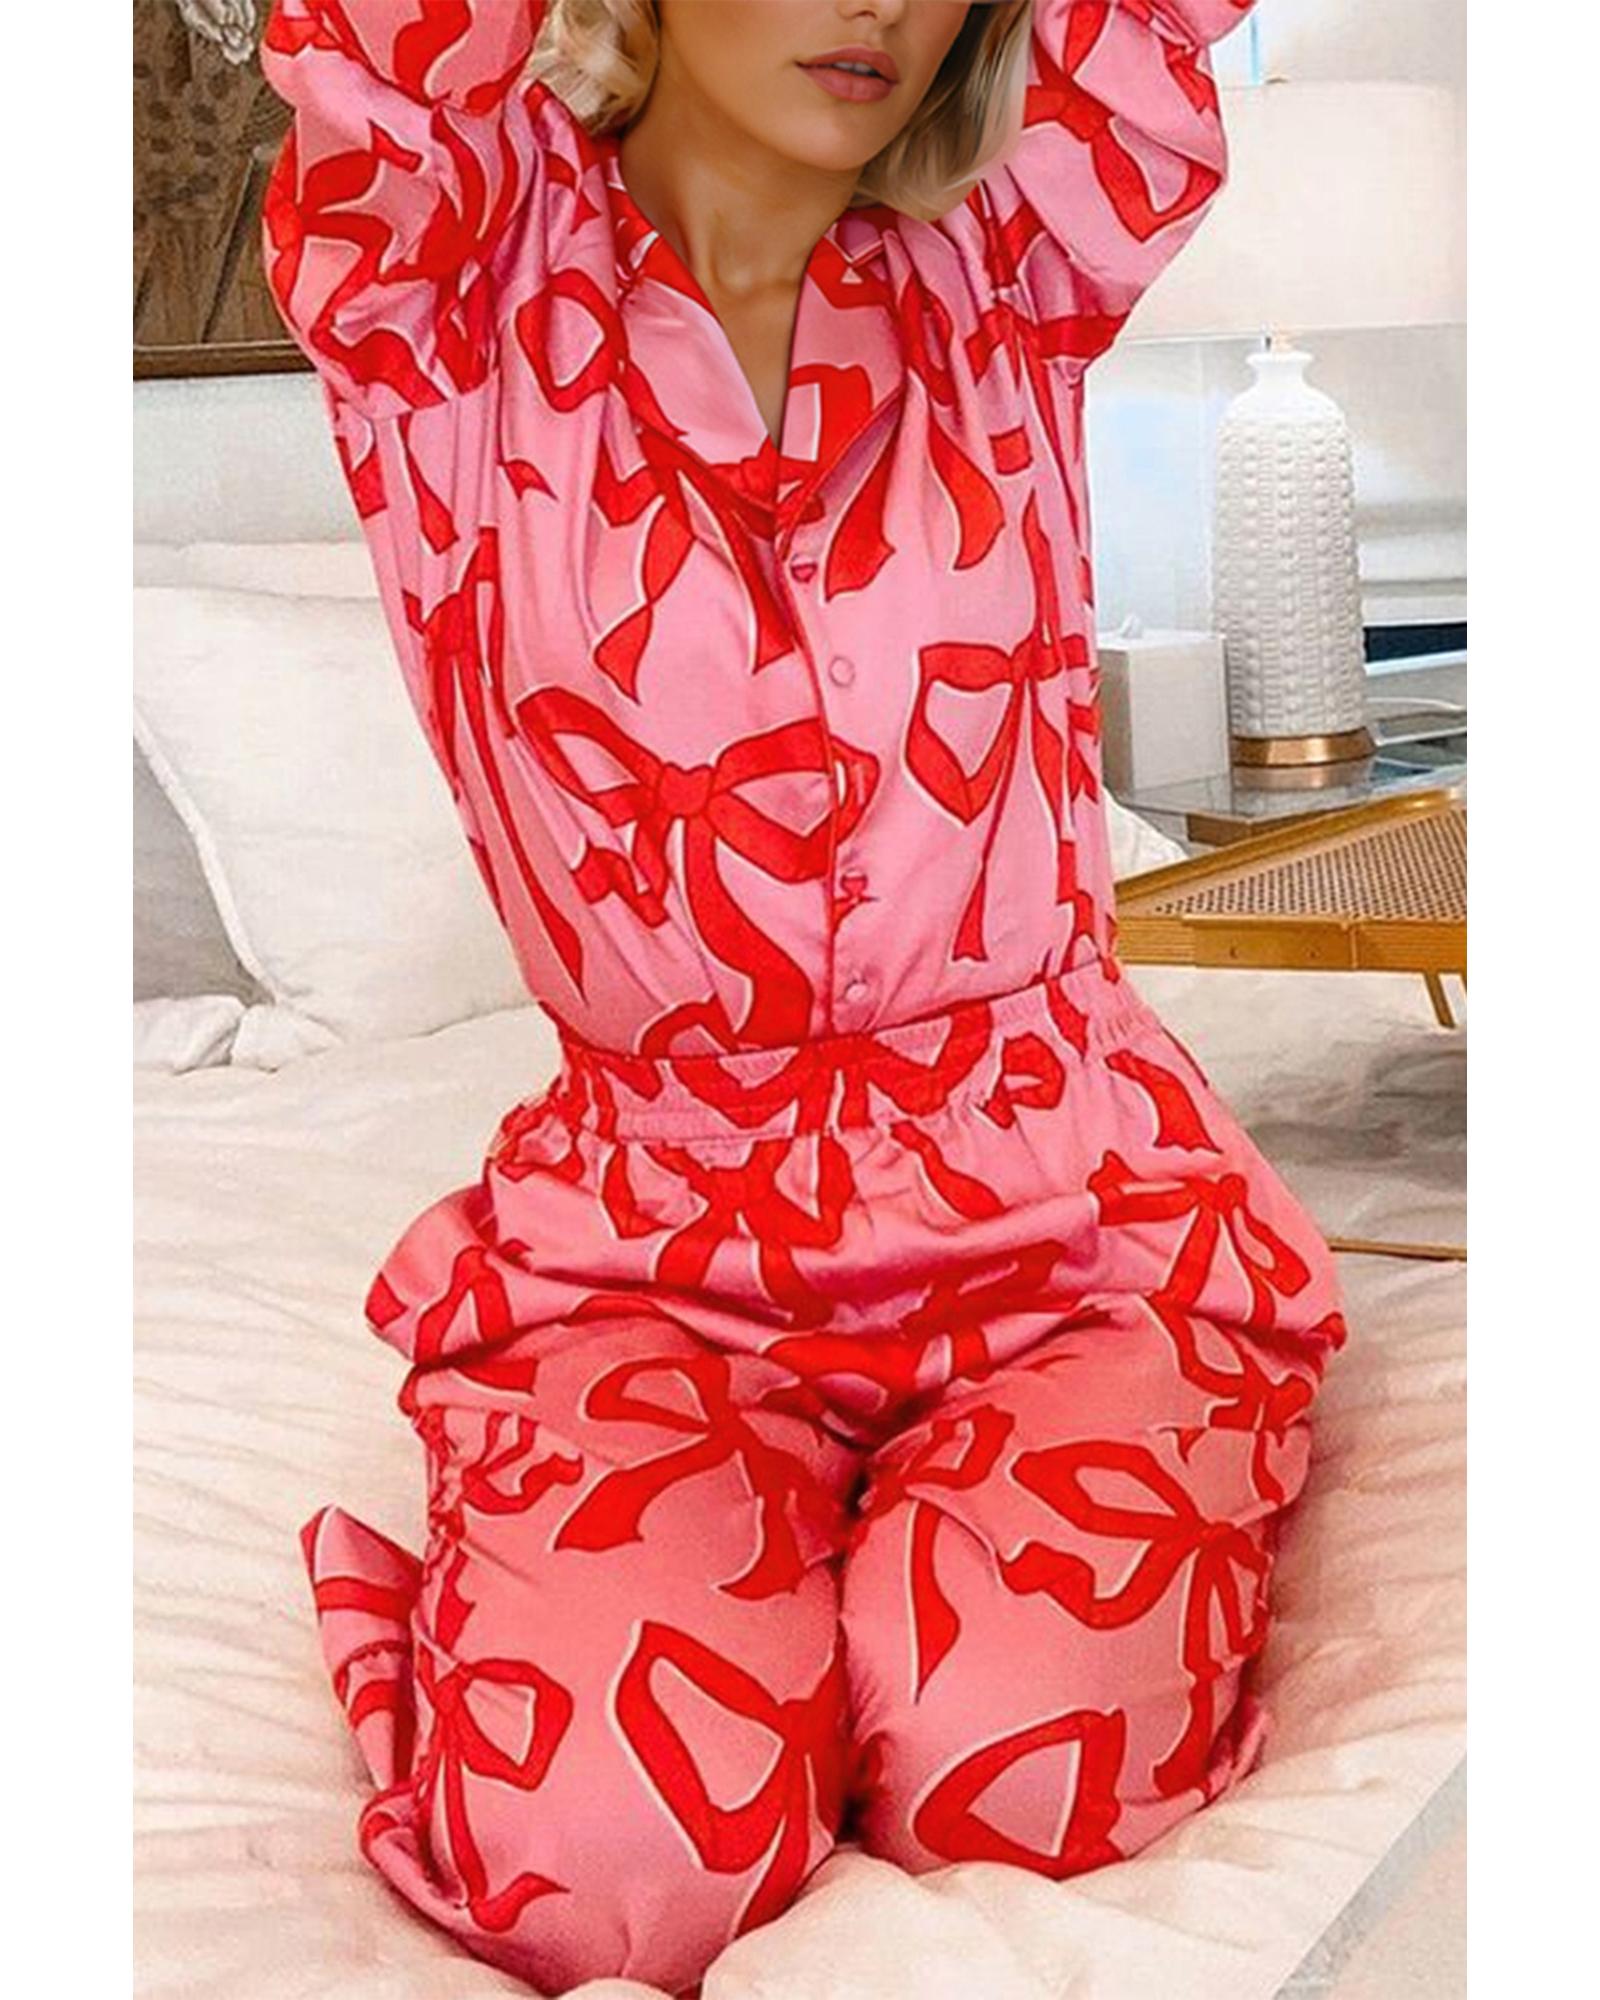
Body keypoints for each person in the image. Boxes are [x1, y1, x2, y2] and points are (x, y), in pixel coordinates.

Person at [261, 4, 1349, 1994]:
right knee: (605, 1877)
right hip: (646, 1254)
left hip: (1063, 1213)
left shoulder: (1017, 254)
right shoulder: (441, 283)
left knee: (1019, 1769)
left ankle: (909, 1589)